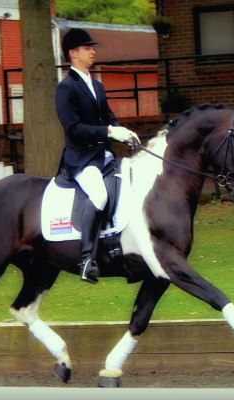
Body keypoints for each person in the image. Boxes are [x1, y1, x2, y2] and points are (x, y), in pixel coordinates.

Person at [55, 28, 140, 284]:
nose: (93, 51)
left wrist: (123, 132)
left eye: (93, 47)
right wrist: (108, 130)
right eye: (86, 47)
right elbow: (74, 129)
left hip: (103, 155)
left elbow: (108, 119)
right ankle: (86, 259)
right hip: (81, 159)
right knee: (100, 195)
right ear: (73, 53)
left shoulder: (97, 86)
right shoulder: (65, 88)